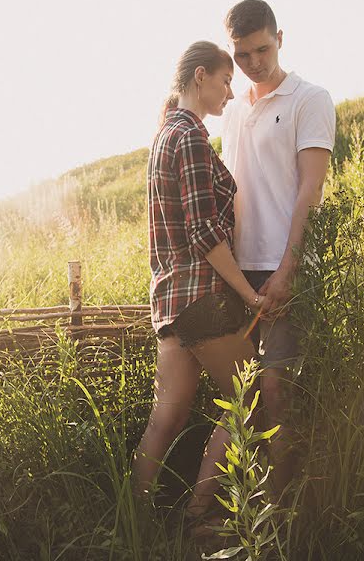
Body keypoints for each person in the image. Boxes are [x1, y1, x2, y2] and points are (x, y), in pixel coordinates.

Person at [132, 40, 271, 523]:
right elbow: (204, 233)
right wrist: (249, 293)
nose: (231, 93)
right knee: (247, 397)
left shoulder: (162, 136)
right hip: (201, 297)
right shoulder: (190, 136)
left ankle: (135, 524)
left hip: (169, 302)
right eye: (227, 80)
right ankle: (197, 516)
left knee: (166, 418)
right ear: (200, 77)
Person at [221, 0, 336, 496]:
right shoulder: (228, 110)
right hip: (234, 271)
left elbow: (309, 191)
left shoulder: (309, 99)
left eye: (262, 49)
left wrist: (289, 267)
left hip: (282, 264)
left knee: (276, 391)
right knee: (235, 396)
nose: (254, 63)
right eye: (243, 55)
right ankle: (242, 505)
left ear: (281, 37)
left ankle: (281, 509)